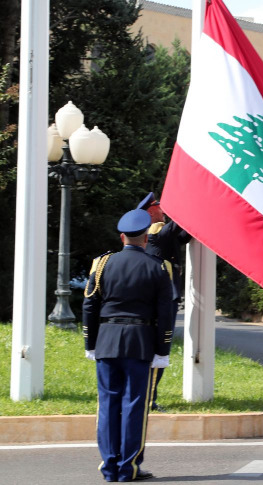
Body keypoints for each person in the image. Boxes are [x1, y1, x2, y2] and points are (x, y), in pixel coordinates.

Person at [82, 208, 174, 482]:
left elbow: (90, 305)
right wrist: (162, 350)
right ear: (146, 238)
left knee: (108, 403)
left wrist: (90, 342)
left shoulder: (102, 264)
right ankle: (128, 467)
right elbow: (165, 313)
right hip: (140, 342)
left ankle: (109, 466)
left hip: (107, 341)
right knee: (135, 404)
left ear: (122, 237)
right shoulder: (159, 267)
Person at [136, 191, 192, 412]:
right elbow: (180, 221)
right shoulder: (156, 232)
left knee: (158, 350)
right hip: (162, 300)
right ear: (151, 212)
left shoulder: (162, 234)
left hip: (162, 298)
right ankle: (148, 400)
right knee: (159, 350)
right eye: (160, 206)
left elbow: (184, 235)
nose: (163, 209)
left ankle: (148, 397)